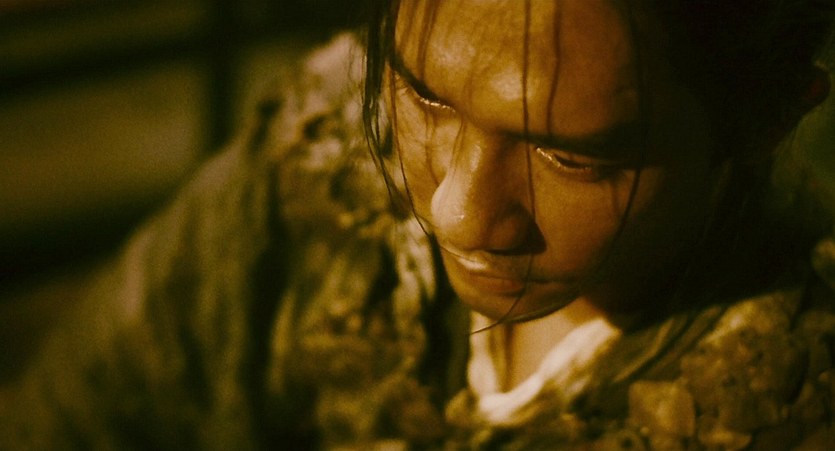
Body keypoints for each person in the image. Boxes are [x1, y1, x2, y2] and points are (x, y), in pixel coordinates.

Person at [3, 0, 835, 449]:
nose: (452, 211)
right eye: (424, 96)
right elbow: (87, 411)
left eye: (568, 157)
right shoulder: (325, 156)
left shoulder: (788, 395)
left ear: (762, 118)